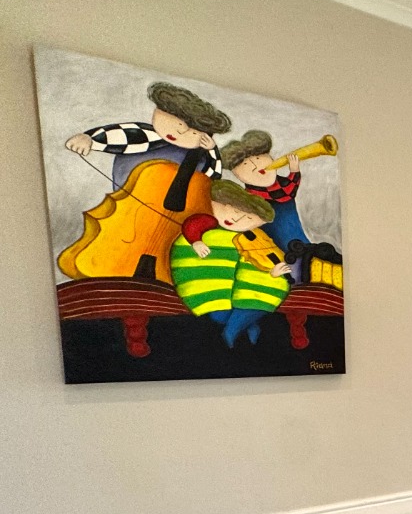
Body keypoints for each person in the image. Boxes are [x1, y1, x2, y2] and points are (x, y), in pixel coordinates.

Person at [171, 181, 293, 348]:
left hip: (247, 290)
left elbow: (262, 262)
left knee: (249, 304)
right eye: (234, 211)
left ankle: (233, 333)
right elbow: (192, 225)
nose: (237, 218)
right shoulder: (209, 223)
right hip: (215, 288)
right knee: (218, 315)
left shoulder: (255, 238)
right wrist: (196, 241)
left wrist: (273, 273)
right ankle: (245, 326)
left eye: (248, 218)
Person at [65, 80, 228, 190]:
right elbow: (121, 135)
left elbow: (211, 181)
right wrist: (89, 139)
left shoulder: (201, 157)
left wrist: (212, 150)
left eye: (192, 131)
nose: (179, 131)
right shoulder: (144, 135)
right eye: (174, 121)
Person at [219, 130, 311, 253]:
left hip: (294, 237)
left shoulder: (283, 184)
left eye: (258, 158)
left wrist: (294, 171)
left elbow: (289, 191)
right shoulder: (249, 197)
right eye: (245, 164)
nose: (255, 166)